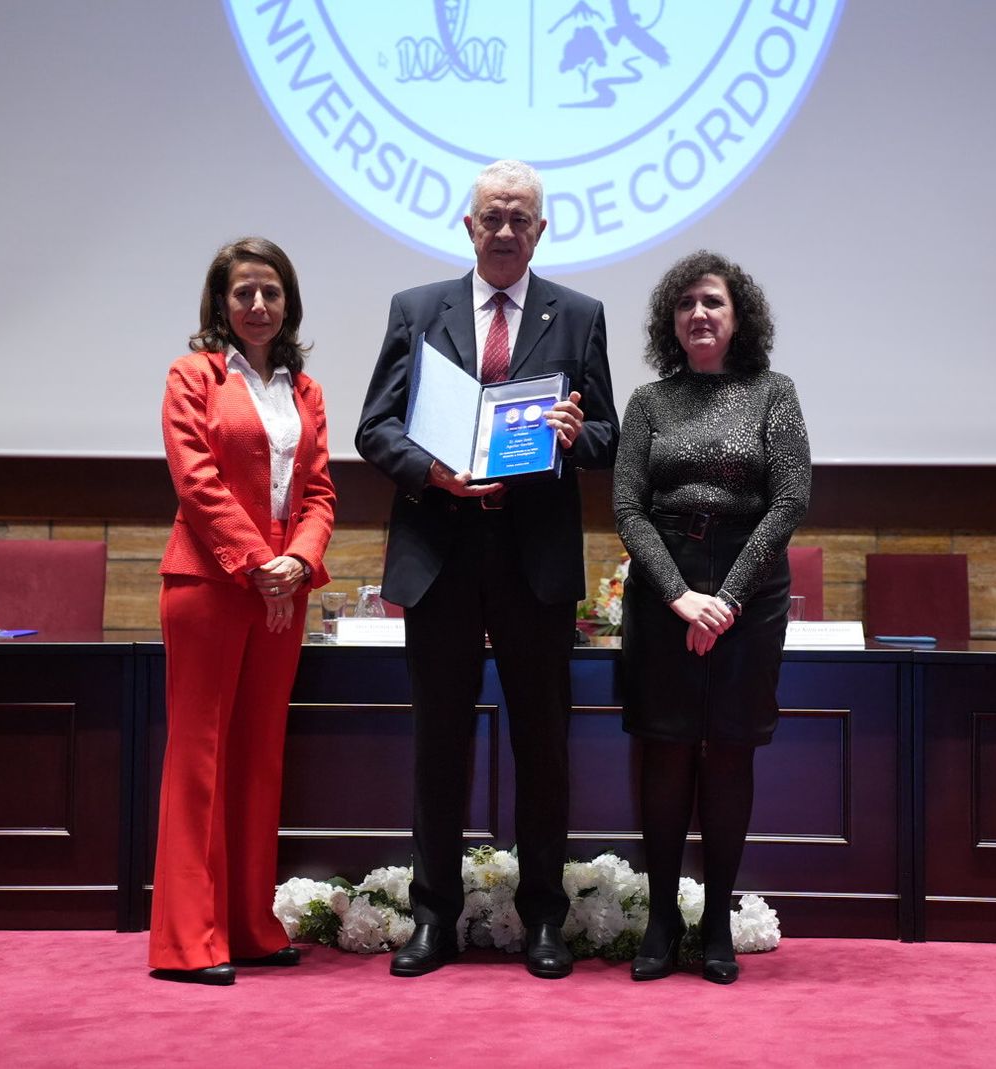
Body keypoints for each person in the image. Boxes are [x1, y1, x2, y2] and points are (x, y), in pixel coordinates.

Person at [356, 159, 619, 979]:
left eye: (520, 219)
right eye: (491, 217)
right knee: (439, 745)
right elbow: (375, 428)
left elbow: (608, 436)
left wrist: (577, 432)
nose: (505, 230)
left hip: (533, 560)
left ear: (541, 230)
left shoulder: (578, 316)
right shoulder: (417, 310)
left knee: (544, 748)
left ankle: (543, 918)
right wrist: (428, 471)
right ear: (467, 227)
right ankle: (434, 920)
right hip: (440, 552)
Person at [613, 250, 811, 985]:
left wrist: (726, 596)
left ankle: (719, 918)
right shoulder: (648, 402)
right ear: (672, 319)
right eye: (687, 302)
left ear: (739, 317)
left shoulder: (773, 392)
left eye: (714, 302)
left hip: (749, 591)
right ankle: (663, 918)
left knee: (729, 751)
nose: (700, 313)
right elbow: (627, 507)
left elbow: (789, 500)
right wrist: (677, 594)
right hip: (664, 589)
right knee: (664, 751)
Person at [150, 237, 336, 985]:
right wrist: (260, 564)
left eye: (271, 293)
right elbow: (196, 483)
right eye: (243, 294)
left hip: (280, 595)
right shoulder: (192, 374)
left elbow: (319, 493)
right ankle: (189, 940)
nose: (258, 306)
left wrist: (299, 562)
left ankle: (250, 926)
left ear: (288, 303)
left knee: (260, 758)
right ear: (219, 304)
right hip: (210, 586)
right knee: (201, 758)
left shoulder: (305, 388)